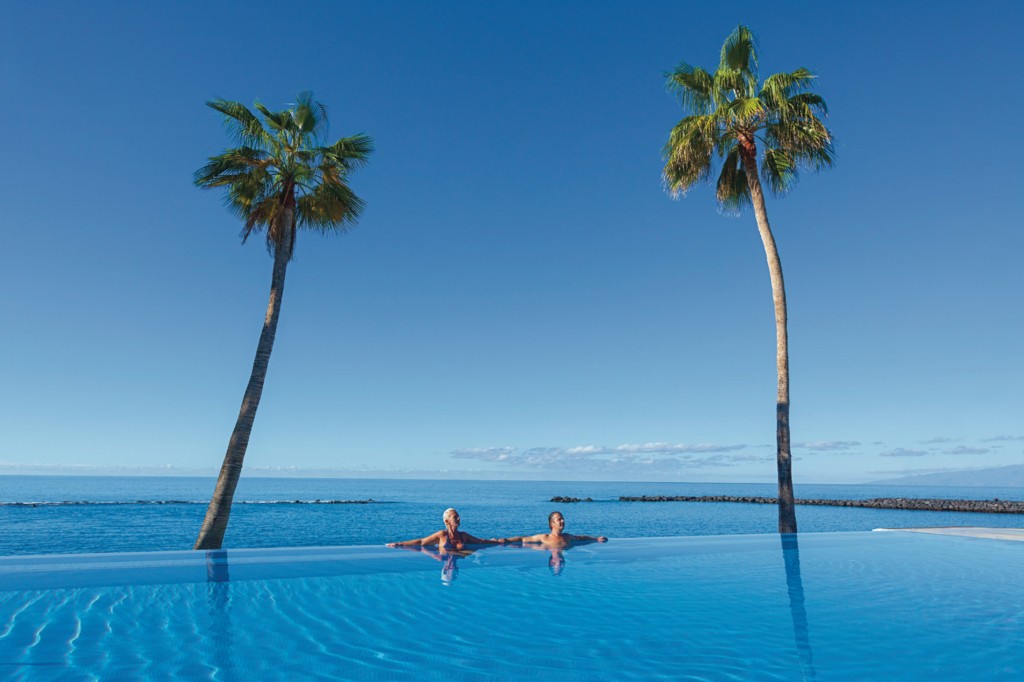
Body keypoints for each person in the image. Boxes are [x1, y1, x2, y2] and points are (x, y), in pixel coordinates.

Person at [385, 508, 504, 550]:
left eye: (458, 517)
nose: (459, 519)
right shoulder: (442, 535)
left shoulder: (463, 536)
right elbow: (422, 542)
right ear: (447, 521)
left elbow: (480, 541)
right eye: (455, 517)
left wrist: (495, 541)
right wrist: (399, 544)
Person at [503, 511, 608, 547]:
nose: (562, 521)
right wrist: (507, 540)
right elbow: (522, 539)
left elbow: (581, 538)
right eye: (559, 519)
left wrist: (596, 539)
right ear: (552, 523)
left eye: (563, 519)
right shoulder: (544, 537)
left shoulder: (567, 536)